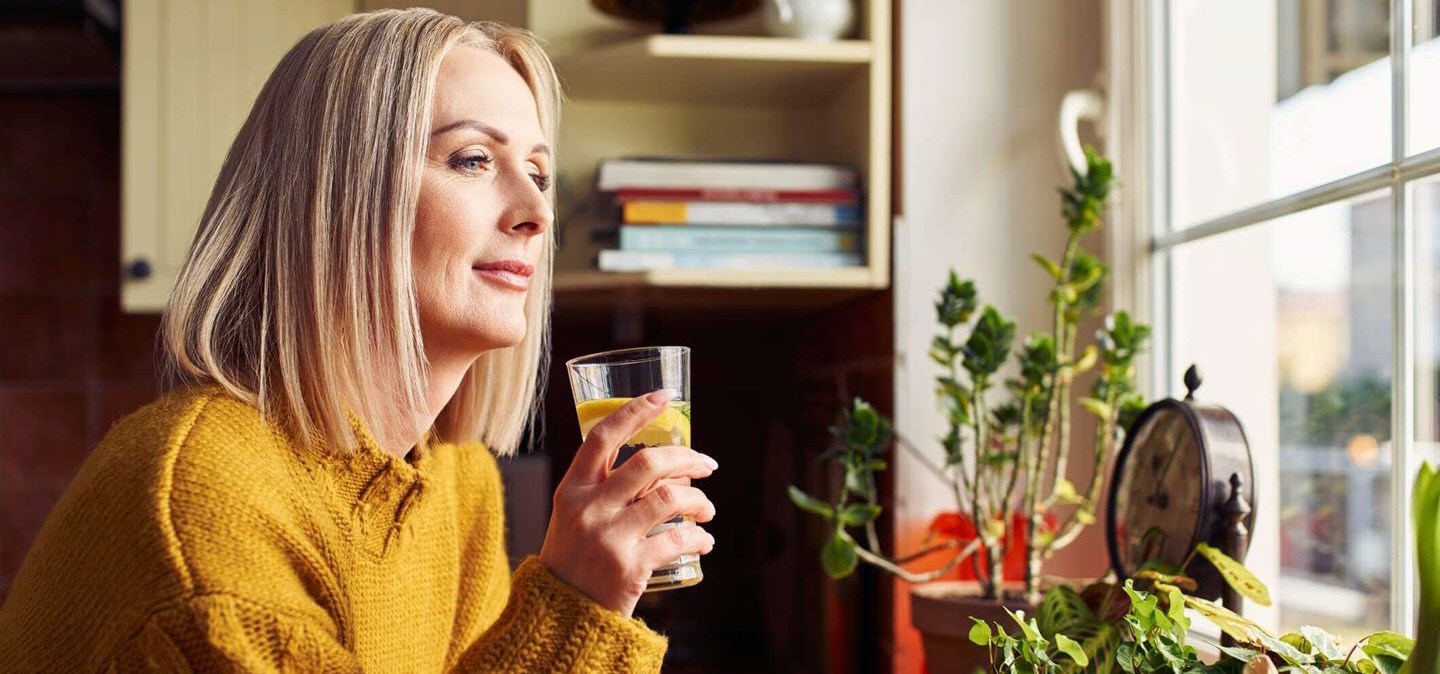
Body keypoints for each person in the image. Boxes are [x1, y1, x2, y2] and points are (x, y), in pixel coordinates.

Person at [0, 8, 716, 673]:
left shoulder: (456, 482)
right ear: (336, 194)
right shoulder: (206, 511)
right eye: (472, 160)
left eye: (537, 172)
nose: (537, 213)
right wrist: (575, 609)